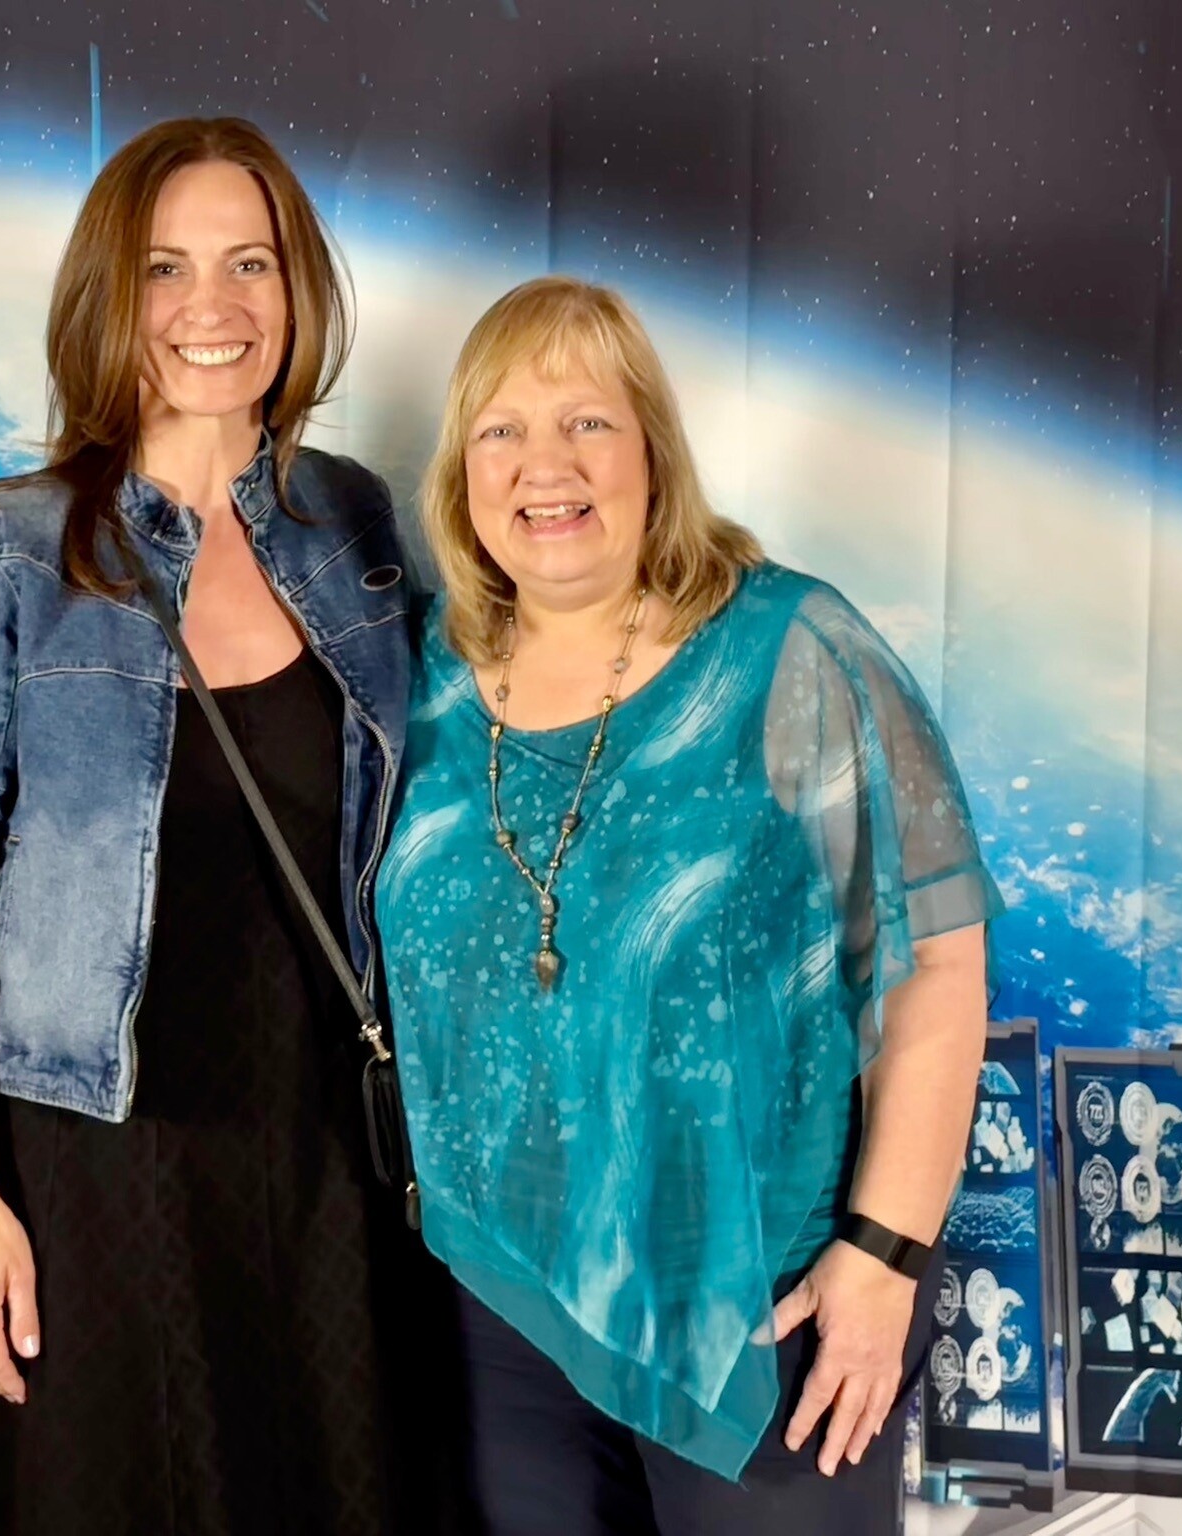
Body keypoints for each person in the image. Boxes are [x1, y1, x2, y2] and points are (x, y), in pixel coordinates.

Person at [0, 117, 467, 1536]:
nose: (213, 304)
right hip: (93, 1159)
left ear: (295, 288)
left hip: (325, 1164)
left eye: (249, 262)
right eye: (164, 268)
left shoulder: (355, 526)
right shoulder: (8, 544)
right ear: (106, 296)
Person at [374, 275, 1001, 1534]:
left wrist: (883, 1260)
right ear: (461, 472)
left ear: (651, 450)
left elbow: (934, 964)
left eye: (586, 423)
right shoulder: (418, 678)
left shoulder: (790, 649)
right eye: (502, 429)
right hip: (494, 1313)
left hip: (760, 1319)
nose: (544, 466)